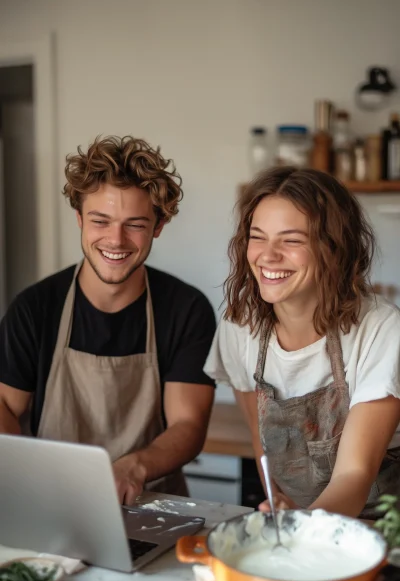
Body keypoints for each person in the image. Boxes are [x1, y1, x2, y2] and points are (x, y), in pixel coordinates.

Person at [0, 135, 216, 504]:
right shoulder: (35, 307)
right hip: (53, 500)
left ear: (158, 226)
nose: (116, 240)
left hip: (154, 505)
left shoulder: (186, 309)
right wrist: (26, 477)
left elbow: (188, 425)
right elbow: (5, 406)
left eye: (134, 224)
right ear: (80, 219)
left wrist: (134, 467)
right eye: (101, 221)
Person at [205, 166, 400, 519]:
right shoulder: (239, 326)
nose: (267, 255)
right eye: (258, 236)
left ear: (334, 248)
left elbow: (355, 474)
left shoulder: (382, 329)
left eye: (291, 240)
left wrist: (304, 531)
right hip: (303, 524)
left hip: (382, 532)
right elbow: (260, 442)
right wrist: (280, 502)